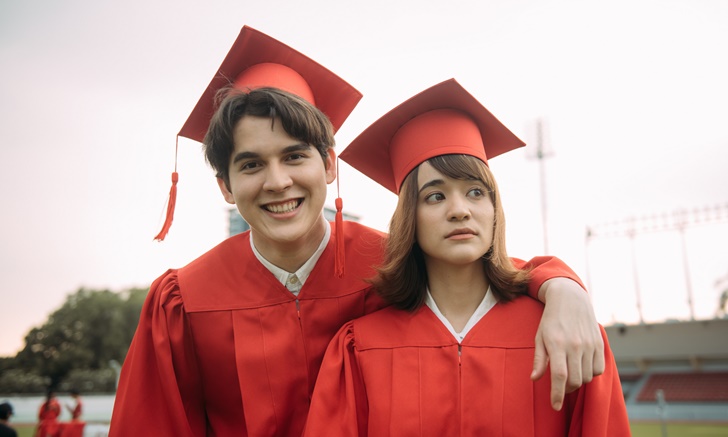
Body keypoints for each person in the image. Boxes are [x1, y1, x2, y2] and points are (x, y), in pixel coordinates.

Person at [110, 26, 604, 436]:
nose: (278, 181)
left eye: (295, 156)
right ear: (224, 185)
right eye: (252, 164)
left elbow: (483, 268)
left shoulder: (391, 261)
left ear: (328, 164)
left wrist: (561, 284)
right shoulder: (185, 301)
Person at [304, 79, 630, 436]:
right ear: (409, 216)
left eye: (475, 192)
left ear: (494, 209)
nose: (459, 210)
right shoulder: (360, 346)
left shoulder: (563, 333)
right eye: (435, 196)